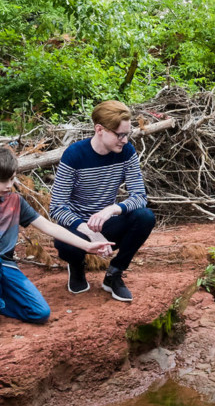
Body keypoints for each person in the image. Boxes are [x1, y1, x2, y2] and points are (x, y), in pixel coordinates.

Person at [0, 145, 113, 331]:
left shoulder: (15, 201)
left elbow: (48, 226)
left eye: (12, 179)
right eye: (3, 181)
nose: (9, 185)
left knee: (40, 313)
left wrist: (87, 246)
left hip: (5, 264)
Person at [48, 100, 158, 302]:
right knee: (65, 244)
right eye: (120, 135)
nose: (124, 140)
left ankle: (114, 274)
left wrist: (111, 210)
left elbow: (139, 197)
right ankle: (76, 265)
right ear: (100, 129)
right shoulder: (74, 155)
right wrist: (89, 231)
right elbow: (57, 208)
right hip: (78, 227)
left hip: (107, 223)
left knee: (145, 217)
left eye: (127, 134)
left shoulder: (127, 153)